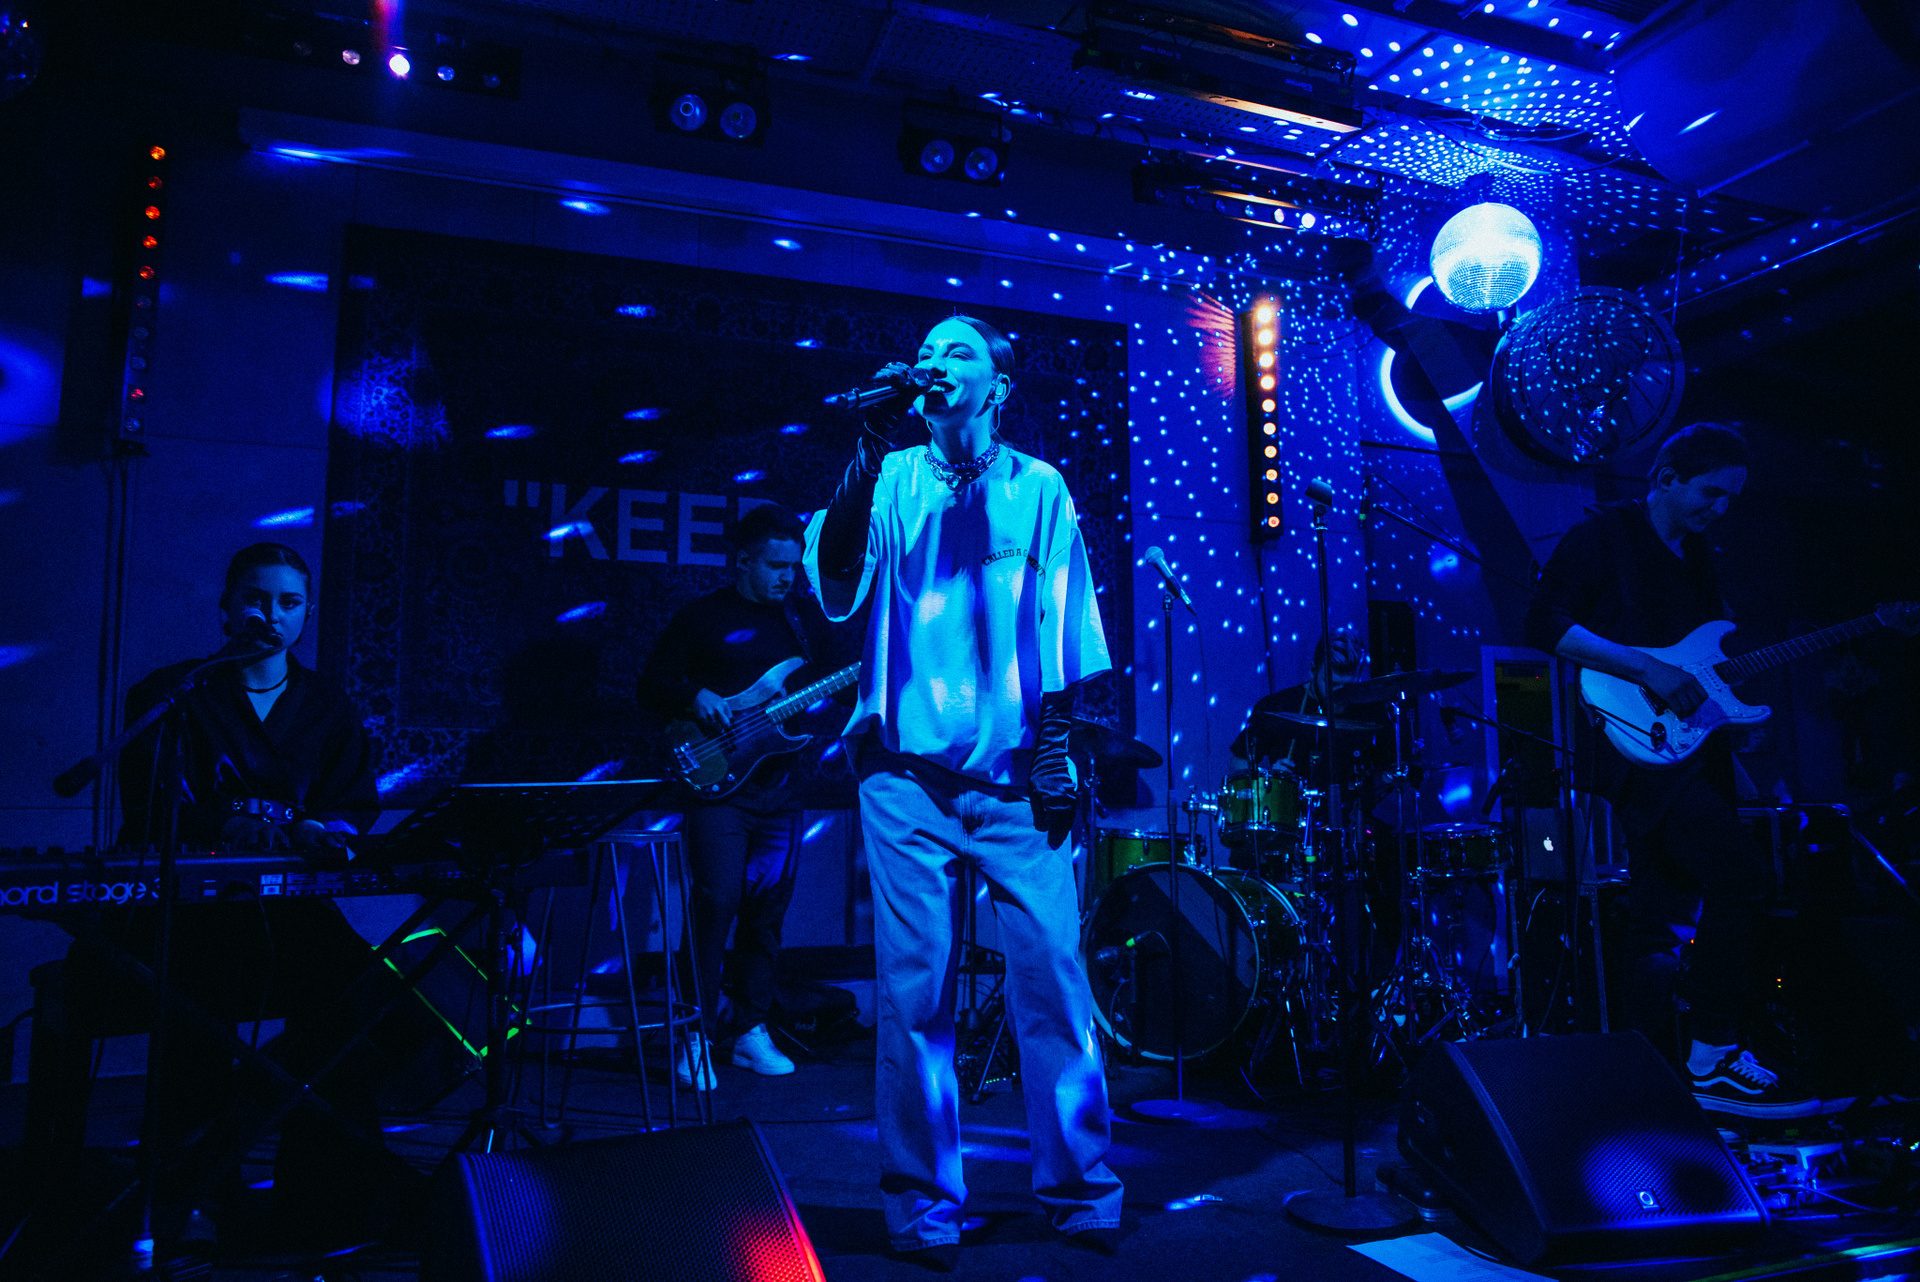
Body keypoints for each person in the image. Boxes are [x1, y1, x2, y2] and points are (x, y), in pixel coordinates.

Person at [806, 314, 1124, 1271]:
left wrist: (1056, 751)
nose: (936, 362)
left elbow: (1065, 625)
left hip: (1018, 783)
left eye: (960, 353)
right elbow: (835, 581)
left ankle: (1079, 1186)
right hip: (907, 779)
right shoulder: (892, 476)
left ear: (999, 385)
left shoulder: (1040, 487)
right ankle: (923, 1206)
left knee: (1054, 980)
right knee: (914, 993)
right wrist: (865, 450)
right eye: (928, 351)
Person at [114, 542, 423, 1248]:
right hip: (195, 911)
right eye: (255, 598)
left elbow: (352, 801)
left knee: (368, 1007)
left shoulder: (327, 704)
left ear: (306, 614)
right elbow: (151, 805)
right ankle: (185, 1196)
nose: (270, 614)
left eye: (289, 602)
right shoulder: (172, 693)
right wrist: (232, 825)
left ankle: (322, 1202)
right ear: (226, 606)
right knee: (196, 1016)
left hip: (291, 910)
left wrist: (327, 829)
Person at [1524, 422, 1817, 1118]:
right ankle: (1713, 1051)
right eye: (1711, 492)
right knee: (1743, 879)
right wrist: (1645, 667)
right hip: (1634, 742)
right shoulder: (1602, 537)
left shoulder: (1701, 560)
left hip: (1693, 748)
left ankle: (1648, 1076)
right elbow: (1544, 622)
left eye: (1731, 498)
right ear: (1665, 478)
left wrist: (1729, 718)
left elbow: (1706, 661)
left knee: (1661, 917)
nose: (1721, 509)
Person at [638, 503, 840, 1088]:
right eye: (775, 566)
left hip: (781, 786)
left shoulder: (802, 620)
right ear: (743, 561)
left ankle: (750, 1028)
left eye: (793, 567)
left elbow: (837, 678)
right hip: (718, 786)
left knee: (767, 911)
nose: (787, 577)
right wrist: (694, 695)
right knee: (716, 903)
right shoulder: (702, 617)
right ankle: (694, 1034)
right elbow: (651, 684)